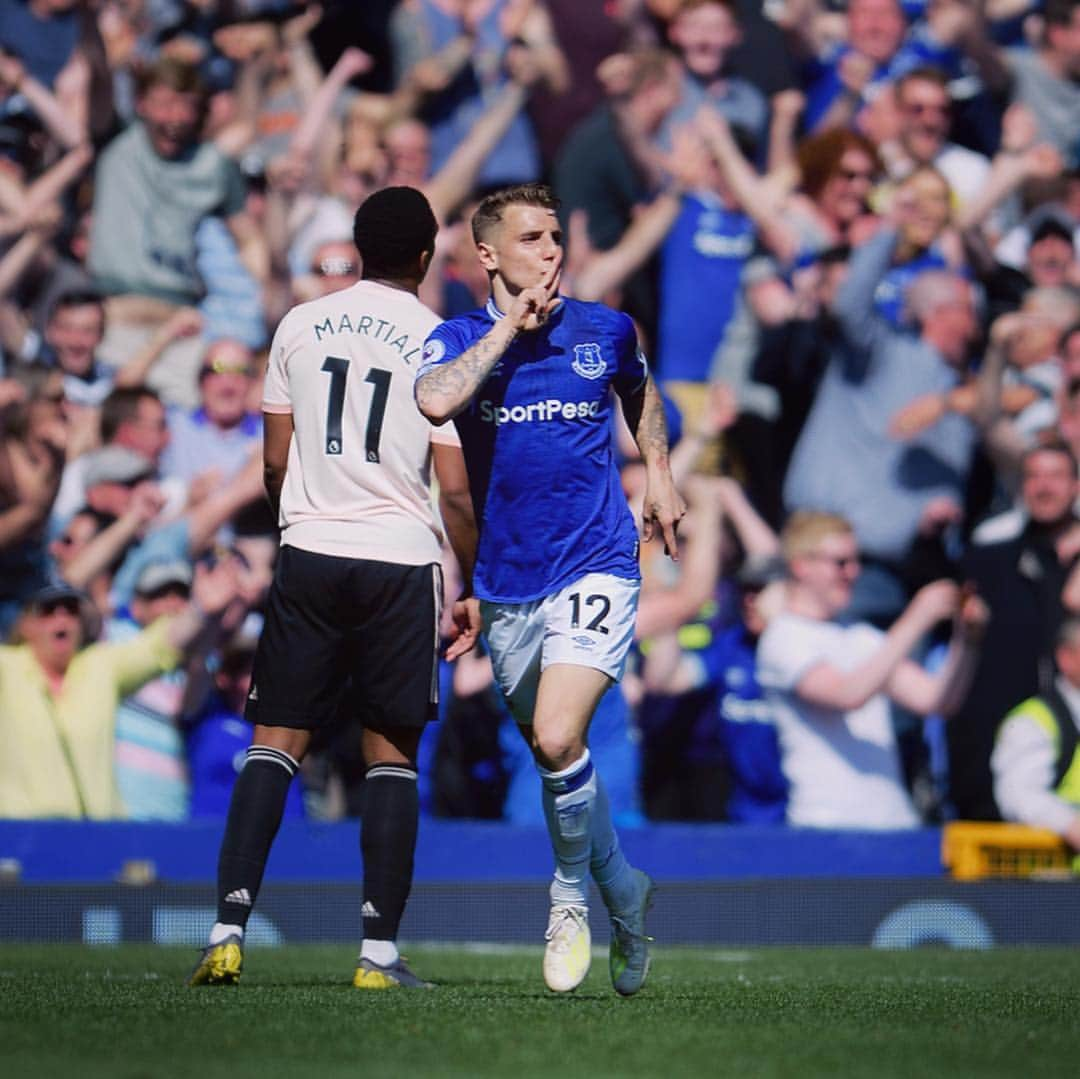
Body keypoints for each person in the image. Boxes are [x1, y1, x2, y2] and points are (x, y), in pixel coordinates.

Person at [188, 186, 478, 991]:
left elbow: (275, 461)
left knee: (274, 744)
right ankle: (378, 956)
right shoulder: (440, 337)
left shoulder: (299, 323)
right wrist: (475, 579)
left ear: (354, 246)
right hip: (398, 556)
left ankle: (226, 928)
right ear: (425, 258)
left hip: (311, 546)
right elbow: (453, 488)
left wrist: (299, 526)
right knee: (390, 755)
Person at [415, 182, 685, 996]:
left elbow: (640, 391)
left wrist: (661, 476)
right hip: (507, 583)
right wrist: (508, 326)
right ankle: (624, 892)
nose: (552, 251)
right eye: (532, 238)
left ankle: (568, 897)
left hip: (598, 559)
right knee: (550, 753)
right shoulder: (459, 337)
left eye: (556, 235)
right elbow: (435, 399)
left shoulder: (604, 329)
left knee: (562, 735)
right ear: (487, 256)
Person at [756, 511, 987, 829]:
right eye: (840, 562)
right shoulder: (782, 637)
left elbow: (936, 701)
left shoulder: (863, 637)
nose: (853, 572)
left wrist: (968, 639)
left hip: (894, 821)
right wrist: (918, 617)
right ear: (801, 565)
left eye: (856, 561)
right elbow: (847, 694)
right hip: (825, 823)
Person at [992, 616, 1080, 848]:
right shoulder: (1033, 720)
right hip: (1055, 878)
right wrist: (1070, 823)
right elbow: (1018, 794)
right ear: (1066, 657)